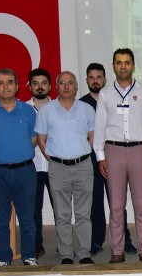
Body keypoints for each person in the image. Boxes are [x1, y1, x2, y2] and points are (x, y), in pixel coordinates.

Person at [93, 48, 142, 263]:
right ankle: (117, 251)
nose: (123, 66)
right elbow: (99, 127)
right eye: (119, 62)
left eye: (127, 62)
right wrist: (101, 157)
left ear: (133, 65)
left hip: (139, 150)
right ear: (113, 66)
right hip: (114, 151)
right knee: (116, 205)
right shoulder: (105, 94)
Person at [0, 68, 39, 266]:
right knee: (0, 218)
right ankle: (3, 258)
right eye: (1, 83)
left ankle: (29, 255)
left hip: (25, 171)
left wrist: (18, 152)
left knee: (27, 218)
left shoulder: (28, 111)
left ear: (17, 86)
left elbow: (34, 139)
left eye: (10, 82)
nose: (6, 86)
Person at [35, 71, 96, 265]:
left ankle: (85, 253)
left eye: (70, 83)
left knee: (83, 213)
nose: (66, 86)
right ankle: (66, 255)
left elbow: (93, 136)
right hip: (58, 168)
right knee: (62, 214)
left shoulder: (87, 109)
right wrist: (53, 159)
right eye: (62, 83)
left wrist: (84, 153)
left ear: (76, 87)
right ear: (56, 87)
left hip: (83, 166)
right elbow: (41, 140)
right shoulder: (46, 111)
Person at [79, 63, 136, 256]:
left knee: (117, 202)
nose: (95, 81)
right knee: (95, 201)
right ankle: (96, 241)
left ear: (105, 79)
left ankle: (124, 239)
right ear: (87, 80)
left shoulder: (114, 98)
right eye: (91, 78)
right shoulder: (81, 104)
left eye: (99, 77)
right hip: (90, 160)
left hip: (114, 156)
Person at [26, 68, 54, 259]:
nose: (40, 87)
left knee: (60, 208)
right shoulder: (23, 109)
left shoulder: (58, 107)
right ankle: (37, 244)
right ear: (30, 87)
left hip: (55, 165)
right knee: (33, 209)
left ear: (50, 86)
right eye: (35, 83)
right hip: (32, 166)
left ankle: (64, 245)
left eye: (43, 83)